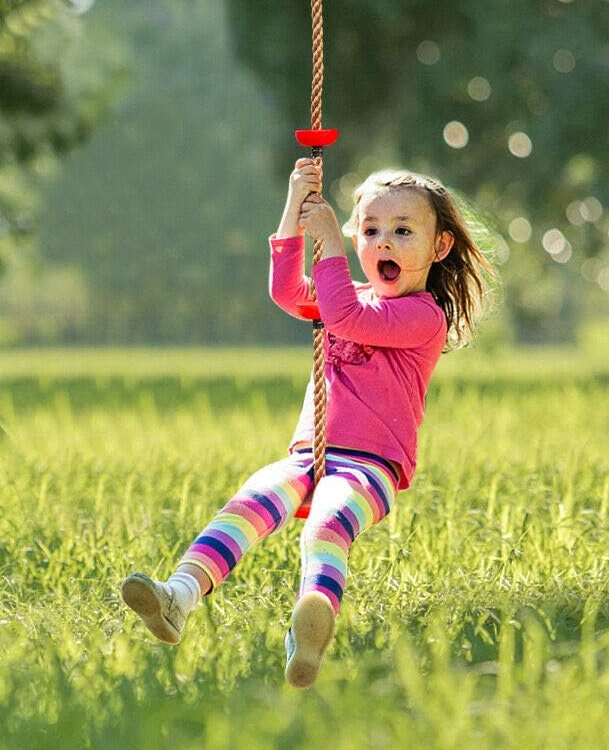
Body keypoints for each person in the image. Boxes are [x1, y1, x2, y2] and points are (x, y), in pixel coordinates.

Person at [120, 161, 495, 688]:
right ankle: (178, 596)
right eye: (370, 230)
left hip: (369, 468)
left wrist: (333, 250)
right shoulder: (351, 296)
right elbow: (286, 290)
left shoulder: (422, 316)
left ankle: (310, 626)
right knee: (249, 503)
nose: (383, 242)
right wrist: (296, 208)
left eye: (403, 231)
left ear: (440, 247)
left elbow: (346, 320)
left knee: (327, 523)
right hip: (306, 456)